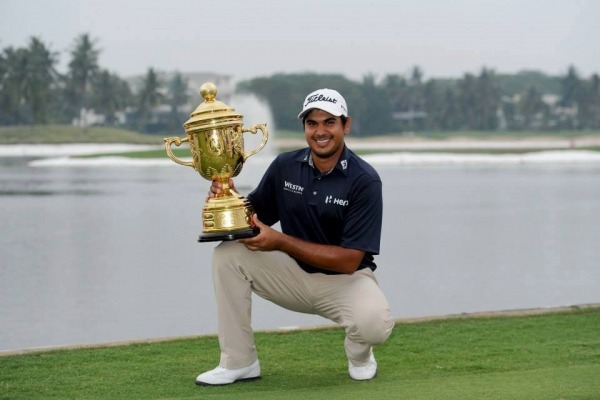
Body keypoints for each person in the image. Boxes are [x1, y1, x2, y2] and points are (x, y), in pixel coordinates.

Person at [195, 88, 394, 386]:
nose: (320, 131)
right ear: (304, 128)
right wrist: (229, 197)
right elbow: (255, 217)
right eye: (312, 123)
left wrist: (280, 241)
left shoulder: (364, 180)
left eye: (329, 122)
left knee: (375, 325)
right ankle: (240, 361)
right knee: (228, 254)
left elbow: (350, 260)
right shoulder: (285, 166)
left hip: (346, 281)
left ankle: (359, 354)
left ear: (345, 126)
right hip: (291, 276)